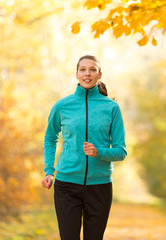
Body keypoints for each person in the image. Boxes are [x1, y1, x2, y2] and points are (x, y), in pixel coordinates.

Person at [42, 55, 127, 240]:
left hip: (100, 186)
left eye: (92, 69)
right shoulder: (62, 106)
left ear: (99, 74)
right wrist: (49, 170)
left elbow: (121, 151)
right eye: (83, 69)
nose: (87, 73)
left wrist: (99, 152)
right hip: (67, 185)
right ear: (76, 74)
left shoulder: (112, 108)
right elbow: (50, 138)